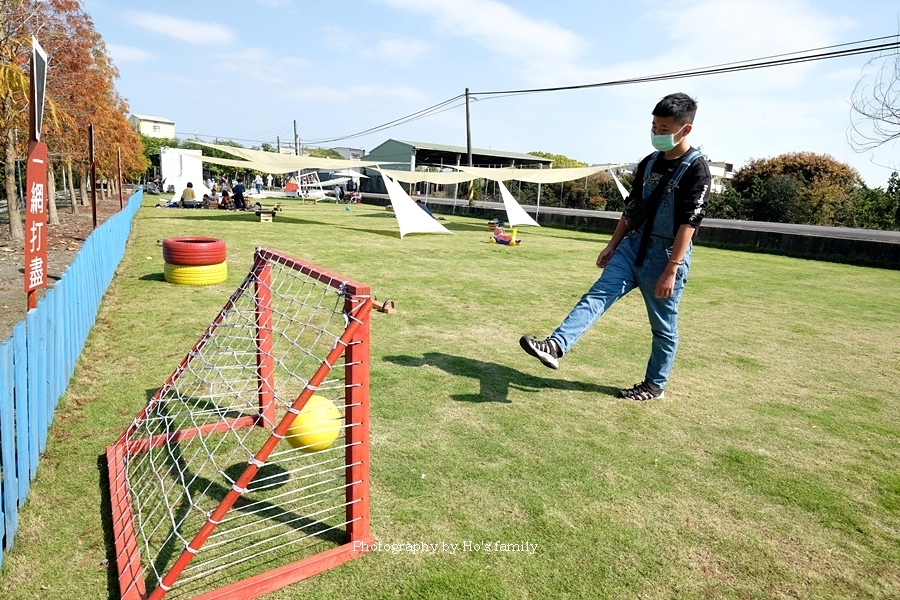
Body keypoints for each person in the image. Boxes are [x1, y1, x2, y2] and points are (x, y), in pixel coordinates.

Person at [519, 92, 711, 401]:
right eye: (653, 126)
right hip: (631, 246)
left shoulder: (697, 169)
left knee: (663, 326)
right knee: (597, 295)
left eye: (664, 129)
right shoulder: (648, 163)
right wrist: (613, 245)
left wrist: (672, 269)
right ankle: (555, 346)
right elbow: (632, 209)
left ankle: (653, 386)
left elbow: (690, 222)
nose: (656, 134)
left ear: (685, 129)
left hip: (664, 257)